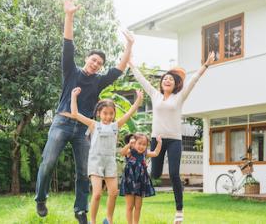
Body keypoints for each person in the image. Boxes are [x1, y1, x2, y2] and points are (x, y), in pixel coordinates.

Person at [34, 0, 134, 224]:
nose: (96, 63)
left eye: (99, 62)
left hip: (84, 129)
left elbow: (119, 69)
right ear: (87, 59)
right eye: (94, 59)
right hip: (62, 122)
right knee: (48, 162)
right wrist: (69, 15)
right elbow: (67, 43)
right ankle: (41, 198)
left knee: (83, 171)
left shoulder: (99, 81)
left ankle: (81, 211)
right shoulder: (71, 70)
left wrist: (129, 46)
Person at [129, 47, 215, 224]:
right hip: (157, 139)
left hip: (175, 140)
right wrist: (130, 63)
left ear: (176, 84)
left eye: (171, 79)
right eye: (165, 78)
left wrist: (205, 65)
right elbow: (141, 79)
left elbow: (194, 81)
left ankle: (179, 210)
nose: (167, 80)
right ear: (161, 83)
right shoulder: (154, 95)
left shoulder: (180, 97)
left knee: (174, 173)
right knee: (155, 174)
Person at [71, 87, 143, 224]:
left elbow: (130, 113)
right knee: (97, 194)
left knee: (113, 193)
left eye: (111, 114)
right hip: (96, 161)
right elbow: (75, 113)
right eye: (105, 113)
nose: (108, 116)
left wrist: (138, 99)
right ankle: (92, 221)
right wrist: (74, 97)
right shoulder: (93, 124)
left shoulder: (116, 125)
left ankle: (108, 219)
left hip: (110, 162)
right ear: (99, 113)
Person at [120, 133, 162, 224]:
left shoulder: (144, 153)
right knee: (130, 206)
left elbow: (155, 153)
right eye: (139, 143)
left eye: (144, 144)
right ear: (134, 143)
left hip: (141, 181)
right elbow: (121, 153)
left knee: (138, 206)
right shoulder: (129, 151)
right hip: (129, 180)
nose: (141, 146)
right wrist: (128, 145)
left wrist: (159, 143)